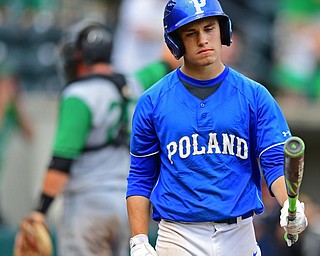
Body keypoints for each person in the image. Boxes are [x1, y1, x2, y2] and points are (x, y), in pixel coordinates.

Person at [126, 1, 308, 255]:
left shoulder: (255, 95)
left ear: (223, 31)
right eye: (191, 33)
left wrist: (291, 205)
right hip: (178, 234)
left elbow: (275, 162)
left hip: (240, 233)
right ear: (176, 41)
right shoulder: (152, 101)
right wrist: (139, 239)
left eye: (209, 28)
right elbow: (140, 177)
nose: (203, 40)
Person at [13, 18, 179, 256]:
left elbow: (62, 161)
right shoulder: (134, 82)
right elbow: (167, 61)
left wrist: (40, 210)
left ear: (80, 55)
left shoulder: (78, 94)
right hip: (129, 207)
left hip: (87, 205)